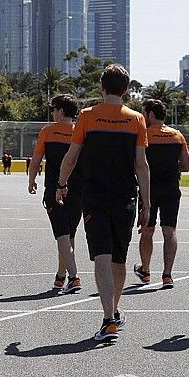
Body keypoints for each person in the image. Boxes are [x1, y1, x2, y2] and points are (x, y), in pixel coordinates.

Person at [56, 64, 150, 341]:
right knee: (119, 259)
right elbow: (141, 166)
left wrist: (61, 185)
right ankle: (114, 311)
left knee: (102, 256)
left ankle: (109, 317)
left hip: (95, 196)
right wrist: (147, 203)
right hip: (126, 198)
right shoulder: (136, 119)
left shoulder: (87, 116)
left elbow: (71, 156)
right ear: (127, 89)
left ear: (102, 87)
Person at [133, 99, 189, 289]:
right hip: (171, 188)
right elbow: (186, 166)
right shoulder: (177, 136)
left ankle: (146, 270)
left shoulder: (143, 135)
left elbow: (136, 164)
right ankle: (167, 274)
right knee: (169, 230)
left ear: (150, 115)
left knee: (147, 229)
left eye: (143, 113)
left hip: (148, 188)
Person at [28, 94, 83, 293]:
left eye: (54, 109)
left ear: (60, 111)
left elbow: (36, 159)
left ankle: (74, 276)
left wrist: (31, 179)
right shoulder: (81, 131)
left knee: (61, 235)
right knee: (69, 235)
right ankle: (61, 275)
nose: (52, 113)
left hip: (55, 189)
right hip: (78, 190)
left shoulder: (48, 131)